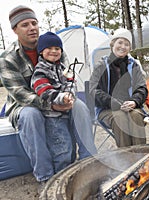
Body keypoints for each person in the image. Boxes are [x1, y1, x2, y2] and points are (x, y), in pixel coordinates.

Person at [0, 5, 97, 184]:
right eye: (25, 25)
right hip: (25, 105)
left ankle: (88, 161)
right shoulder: (7, 59)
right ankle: (45, 176)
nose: (32, 28)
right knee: (31, 115)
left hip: (58, 97)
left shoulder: (53, 46)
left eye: (34, 23)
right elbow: (20, 94)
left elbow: (68, 76)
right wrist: (51, 104)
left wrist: (68, 96)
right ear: (15, 30)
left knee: (80, 107)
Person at [30, 31, 97, 173]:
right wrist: (61, 98)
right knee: (62, 148)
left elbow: (70, 84)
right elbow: (43, 90)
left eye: (57, 48)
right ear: (41, 51)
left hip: (67, 111)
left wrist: (69, 94)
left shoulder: (62, 68)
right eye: (50, 48)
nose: (54, 51)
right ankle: (61, 175)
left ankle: (81, 167)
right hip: (53, 116)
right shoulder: (40, 70)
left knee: (70, 147)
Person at [89, 28, 148, 147]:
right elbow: (93, 91)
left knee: (136, 116)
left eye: (127, 44)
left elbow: (142, 88)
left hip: (130, 107)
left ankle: (141, 156)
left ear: (130, 48)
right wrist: (114, 103)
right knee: (120, 117)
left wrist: (134, 101)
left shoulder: (133, 65)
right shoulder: (101, 66)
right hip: (107, 108)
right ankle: (127, 158)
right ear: (112, 44)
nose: (123, 46)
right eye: (120, 42)